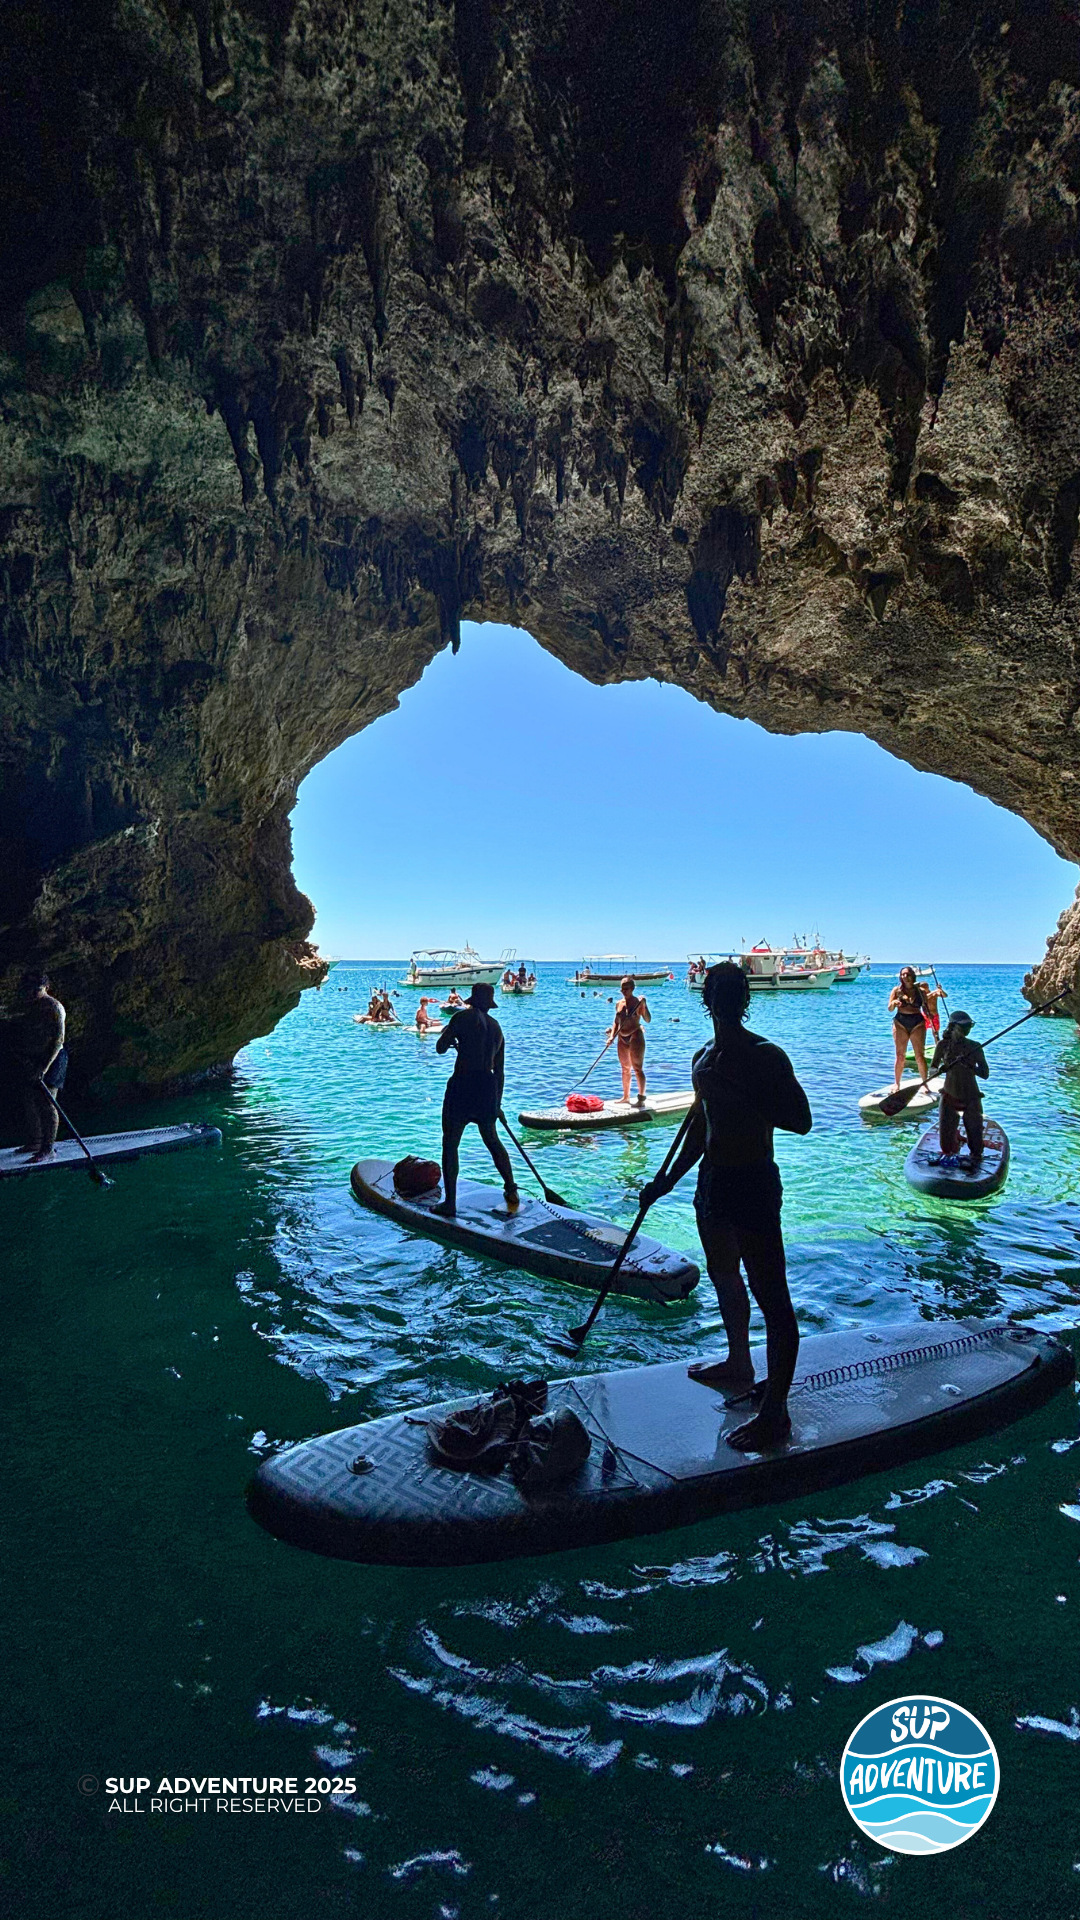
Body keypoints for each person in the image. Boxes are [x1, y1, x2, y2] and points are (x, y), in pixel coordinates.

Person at [638, 961, 812, 1451]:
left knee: (771, 1294)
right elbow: (699, 1127)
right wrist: (665, 1181)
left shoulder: (766, 1056)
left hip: (754, 1179)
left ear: (744, 1000)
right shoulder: (703, 1059)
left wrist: (746, 1092)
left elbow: (801, 1120)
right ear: (707, 998)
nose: (726, 999)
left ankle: (776, 1412)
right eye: (719, 991)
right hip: (712, 1181)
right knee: (723, 1274)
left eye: (734, 991)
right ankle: (739, 1361)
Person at [434, 983, 519, 1215]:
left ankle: (450, 1203)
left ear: (472, 1000)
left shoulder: (461, 1018)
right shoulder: (497, 1028)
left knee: (451, 1143)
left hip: (462, 1084)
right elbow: (500, 1071)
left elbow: (440, 1048)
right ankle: (511, 1189)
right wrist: (497, 1103)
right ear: (489, 1003)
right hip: (487, 1086)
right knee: (492, 1140)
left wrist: (451, 1040)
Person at [8, 968, 66, 1161]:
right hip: (31, 1058)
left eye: (37, 989)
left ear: (46, 987)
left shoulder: (54, 1007)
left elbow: (58, 1041)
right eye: (30, 989)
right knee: (29, 1098)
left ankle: (48, 1149)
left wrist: (44, 1067)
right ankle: (36, 1141)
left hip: (52, 1058)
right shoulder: (29, 1005)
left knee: (47, 1102)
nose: (33, 993)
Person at [931, 1011, 988, 1163]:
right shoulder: (942, 1046)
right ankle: (955, 1140)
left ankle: (974, 1158)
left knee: (976, 1148)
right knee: (946, 1147)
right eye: (963, 1026)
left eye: (969, 1026)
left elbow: (985, 1074)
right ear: (953, 1027)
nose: (967, 1030)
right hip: (949, 1096)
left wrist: (971, 1067)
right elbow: (932, 1068)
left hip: (971, 1098)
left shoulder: (974, 1047)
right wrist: (939, 1070)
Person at [887, 966, 933, 1088]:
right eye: (902, 975)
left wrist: (931, 1018)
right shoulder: (896, 991)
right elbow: (890, 1009)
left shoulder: (920, 991)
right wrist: (893, 1003)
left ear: (913, 976)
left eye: (907, 974)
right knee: (900, 1055)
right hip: (900, 1022)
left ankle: (925, 1083)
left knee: (919, 1055)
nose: (905, 977)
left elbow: (926, 1008)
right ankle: (897, 1083)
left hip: (917, 1023)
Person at [609, 975, 650, 1105]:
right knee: (625, 1068)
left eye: (626, 988)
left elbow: (648, 1020)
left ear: (632, 988)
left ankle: (641, 1098)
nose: (623, 991)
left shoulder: (638, 1002)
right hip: (622, 1037)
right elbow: (616, 1021)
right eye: (622, 989)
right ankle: (625, 1097)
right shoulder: (618, 1004)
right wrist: (611, 1036)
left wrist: (645, 1005)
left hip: (635, 1035)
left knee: (637, 1068)